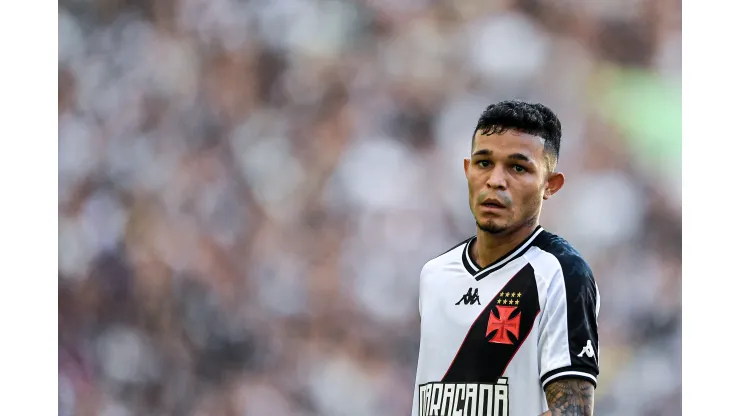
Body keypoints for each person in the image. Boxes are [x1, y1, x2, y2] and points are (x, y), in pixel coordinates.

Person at [411, 101, 600, 416]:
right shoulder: (435, 274)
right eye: (484, 163)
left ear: (550, 185)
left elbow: (574, 411)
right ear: (467, 169)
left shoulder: (561, 273)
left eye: (518, 167)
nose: (496, 180)